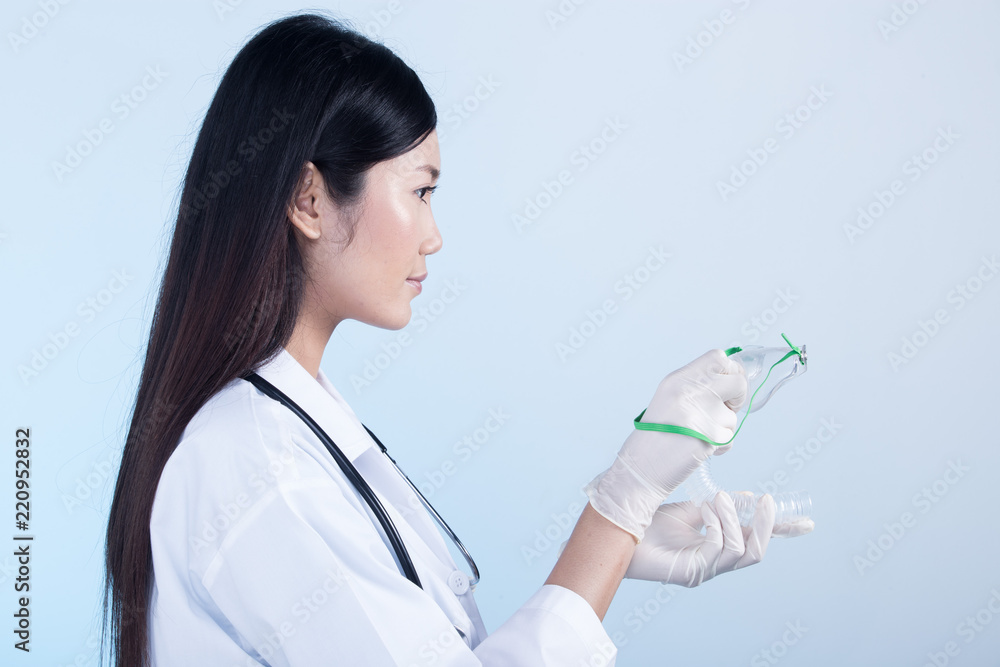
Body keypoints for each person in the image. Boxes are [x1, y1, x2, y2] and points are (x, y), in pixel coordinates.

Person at [101, 12, 811, 666]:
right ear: (309, 200)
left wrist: (614, 548)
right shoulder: (251, 464)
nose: (435, 236)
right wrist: (617, 506)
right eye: (420, 191)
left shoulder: (295, 425)